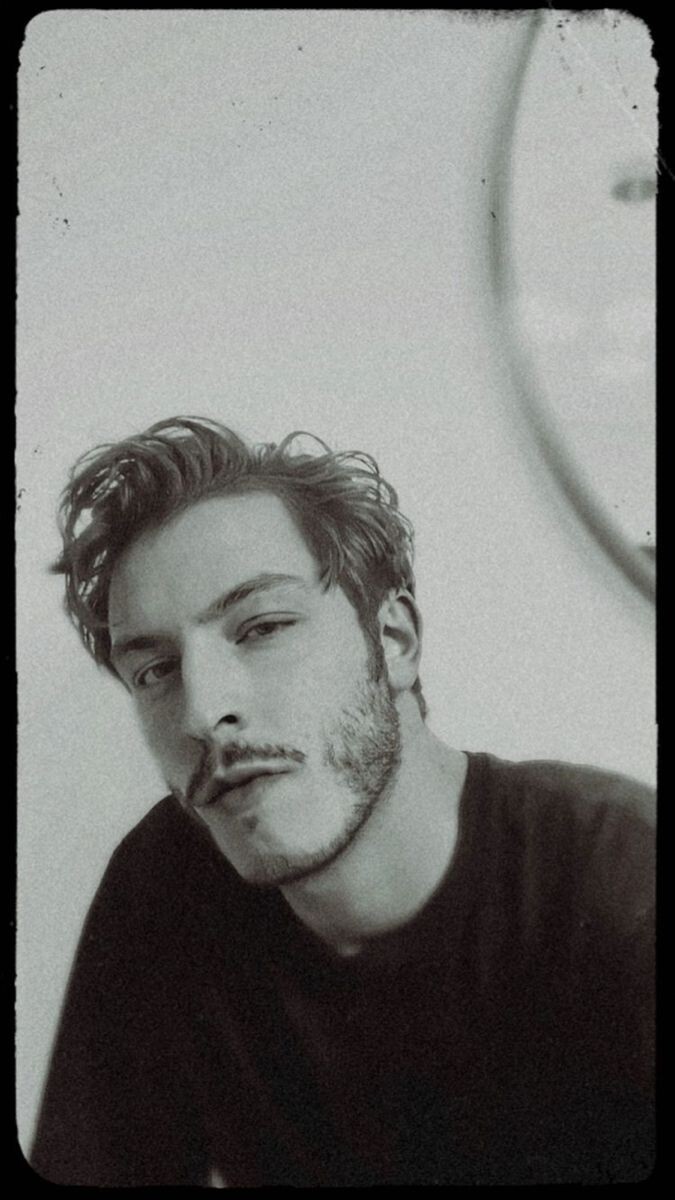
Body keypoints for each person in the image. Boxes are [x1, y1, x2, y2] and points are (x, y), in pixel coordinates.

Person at [30, 417, 654, 1186]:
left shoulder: (620, 880)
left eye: (261, 627)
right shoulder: (164, 889)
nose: (203, 712)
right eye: (155, 671)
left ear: (393, 640)